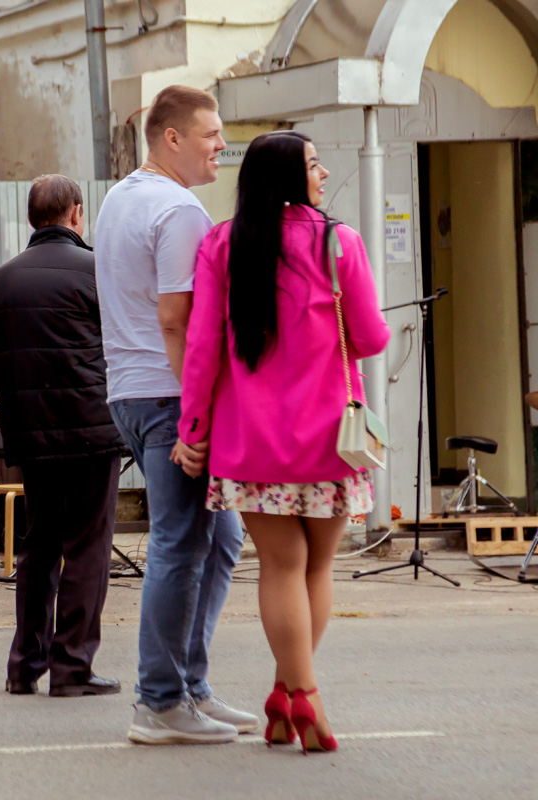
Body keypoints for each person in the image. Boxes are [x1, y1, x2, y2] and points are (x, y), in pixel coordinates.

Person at [177, 131, 389, 753]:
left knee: (280, 566)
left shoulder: (222, 242)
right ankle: (305, 696)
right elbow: (373, 338)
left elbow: (201, 347)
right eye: (314, 164)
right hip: (332, 438)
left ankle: (288, 694)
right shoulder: (336, 241)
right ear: (290, 178)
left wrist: (193, 429)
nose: (323, 173)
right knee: (317, 566)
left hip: (250, 443)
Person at [94, 85, 257, 743]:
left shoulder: (120, 197)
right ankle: (159, 701)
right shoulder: (181, 209)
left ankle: (189, 687)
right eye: (212, 133)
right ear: (172, 138)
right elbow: (176, 318)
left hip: (131, 393)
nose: (222, 145)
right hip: (168, 396)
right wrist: (197, 416)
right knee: (181, 542)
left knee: (217, 538)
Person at [0, 174, 127, 697]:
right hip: (91, 428)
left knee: (38, 544)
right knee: (88, 546)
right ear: (76, 214)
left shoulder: (0, 280)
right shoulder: (96, 271)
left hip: (31, 432)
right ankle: (73, 668)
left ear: (31, 219)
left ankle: (24, 665)